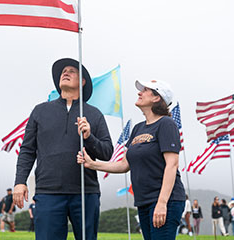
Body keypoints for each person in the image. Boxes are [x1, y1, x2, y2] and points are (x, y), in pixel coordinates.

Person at [13, 58, 113, 240]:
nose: (65, 73)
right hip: (48, 192)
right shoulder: (40, 111)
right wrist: (20, 182)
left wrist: (89, 137)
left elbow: (107, 152)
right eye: (63, 71)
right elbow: (27, 150)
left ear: (82, 82)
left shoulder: (94, 114)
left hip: (85, 193)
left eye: (71, 71)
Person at [77, 79, 186, 240]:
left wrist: (162, 203)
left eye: (146, 90)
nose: (139, 92)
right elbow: (124, 164)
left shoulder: (166, 124)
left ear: (157, 98)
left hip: (165, 201)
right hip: (143, 201)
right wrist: (93, 164)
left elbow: (172, 164)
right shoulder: (138, 128)